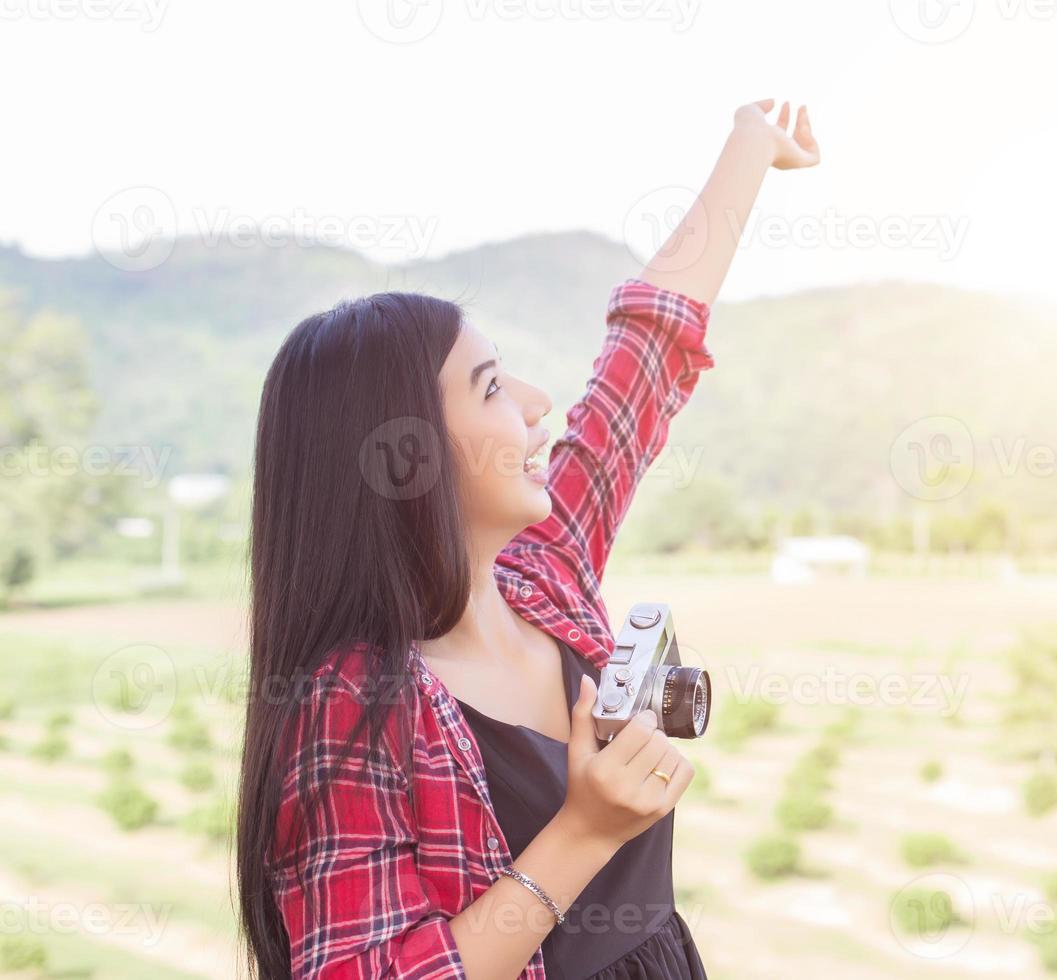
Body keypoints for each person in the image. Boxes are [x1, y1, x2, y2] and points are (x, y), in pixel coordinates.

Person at [236, 99, 821, 979]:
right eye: (491, 388)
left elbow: (646, 358)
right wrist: (584, 831)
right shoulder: (352, 704)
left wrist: (750, 147)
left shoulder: (543, 576)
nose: (539, 404)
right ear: (407, 458)